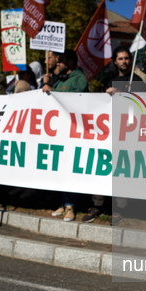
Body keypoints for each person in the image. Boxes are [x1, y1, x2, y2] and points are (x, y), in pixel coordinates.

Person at [42, 49, 87, 221]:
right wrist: (47, 87)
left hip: (73, 132)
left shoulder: (79, 79)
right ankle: (64, 202)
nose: (57, 63)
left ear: (70, 62)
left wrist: (53, 92)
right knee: (61, 168)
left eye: (60, 60)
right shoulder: (60, 80)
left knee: (70, 168)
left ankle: (71, 206)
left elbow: (73, 101)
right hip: (61, 132)